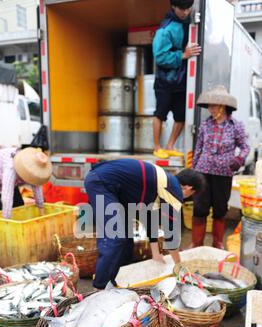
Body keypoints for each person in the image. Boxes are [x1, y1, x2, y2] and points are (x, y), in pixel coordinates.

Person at [85, 159, 205, 289]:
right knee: (115, 237)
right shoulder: (174, 190)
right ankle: (99, 288)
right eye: (192, 194)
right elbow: (171, 235)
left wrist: (156, 253)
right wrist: (179, 268)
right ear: (188, 188)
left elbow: (150, 219)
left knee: (126, 240)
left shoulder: (163, 183)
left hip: (110, 185)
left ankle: (114, 282)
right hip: (102, 183)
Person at [191, 85, 250, 249]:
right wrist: (193, 170)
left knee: (220, 209)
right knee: (200, 208)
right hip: (203, 172)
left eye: (213, 105)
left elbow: (245, 147)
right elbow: (199, 148)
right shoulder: (205, 125)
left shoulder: (235, 126)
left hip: (223, 173)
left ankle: (217, 243)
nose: (210, 108)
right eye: (209, 105)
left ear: (223, 106)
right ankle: (197, 244)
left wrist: (239, 159)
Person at [152, 0, 201, 159]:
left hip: (182, 81)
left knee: (181, 116)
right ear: (173, 7)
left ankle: (170, 145)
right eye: (182, 8)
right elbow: (159, 57)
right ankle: (157, 147)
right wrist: (184, 55)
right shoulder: (165, 29)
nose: (186, 12)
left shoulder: (191, 21)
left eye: (188, 8)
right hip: (165, 82)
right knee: (160, 114)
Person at [0, 146, 52, 219]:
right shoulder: (11, 168)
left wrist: (42, 212)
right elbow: (7, 197)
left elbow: (37, 188)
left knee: (19, 205)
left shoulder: (33, 169)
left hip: (2, 173)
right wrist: (7, 221)